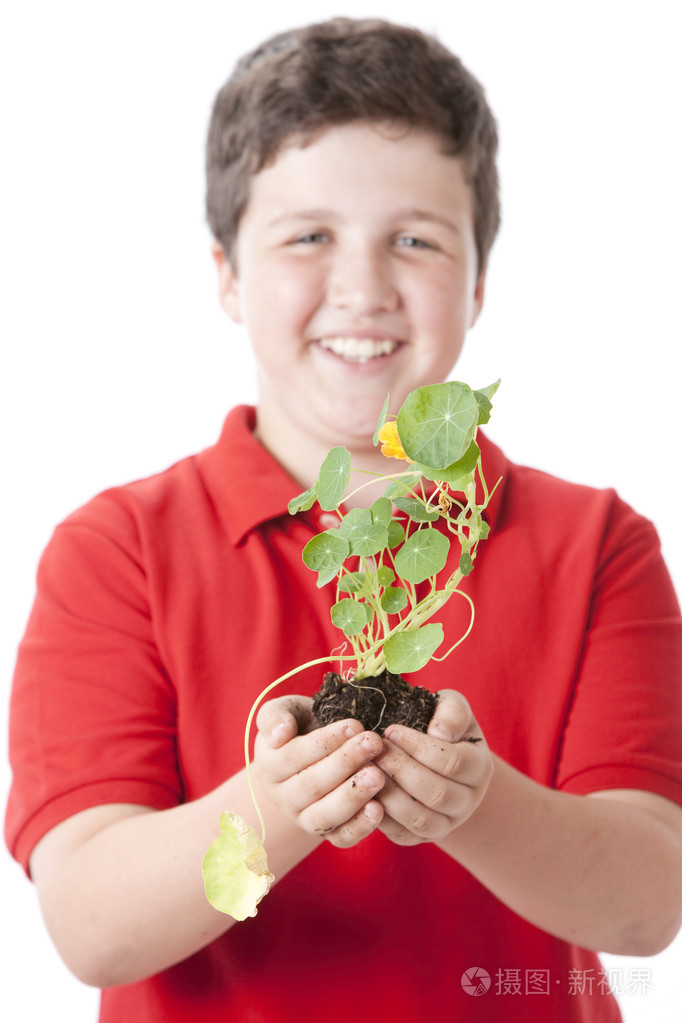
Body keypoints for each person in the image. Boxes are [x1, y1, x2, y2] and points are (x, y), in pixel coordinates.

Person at [5, 17, 682, 1023]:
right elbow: (91, 926)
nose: (362, 288)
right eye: (306, 236)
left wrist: (472, 799)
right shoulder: (119, 551)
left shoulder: (595, 547)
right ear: (228, 274)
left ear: (479, 282)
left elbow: (645, 904)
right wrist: (278, 805)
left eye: (415, 239)